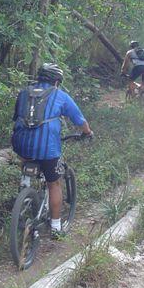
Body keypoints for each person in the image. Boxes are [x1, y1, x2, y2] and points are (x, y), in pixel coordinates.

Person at [11, 63, 93, 238]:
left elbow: (17, 116)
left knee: (26, 157)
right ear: (57, 81)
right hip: (48, 148)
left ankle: (25, 187)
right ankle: (56, 227)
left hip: (21, 144)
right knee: (53, 183)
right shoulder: (60, 96)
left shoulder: (24, 93)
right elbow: (79, 119)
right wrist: (87, 132)